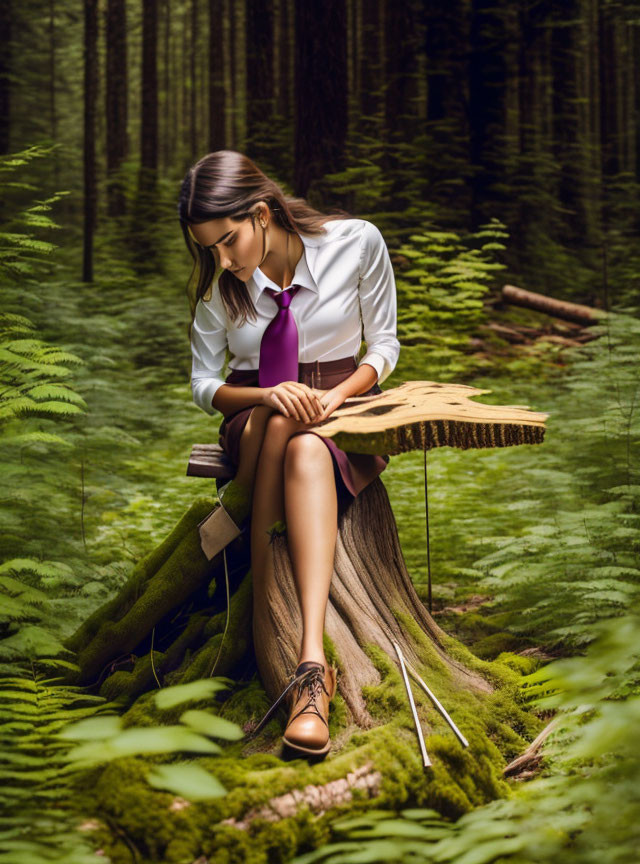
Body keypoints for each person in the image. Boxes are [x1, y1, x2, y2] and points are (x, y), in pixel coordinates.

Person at [178, 150, 400, 757]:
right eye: (209, 250)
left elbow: (382, 347)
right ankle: (306, 672)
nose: (221, 260)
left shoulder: (355, 243)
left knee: (304, 450)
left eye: (227, 242)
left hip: (342, 409)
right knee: (277, 428)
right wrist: (270, 395)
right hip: (253, 414)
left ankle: (307, 663)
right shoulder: (222, 289)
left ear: (260, 213)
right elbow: (204, 385)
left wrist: (334, 400)